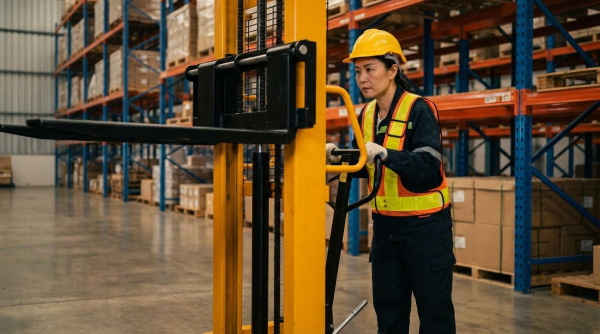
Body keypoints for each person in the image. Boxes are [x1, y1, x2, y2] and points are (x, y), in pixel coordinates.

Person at [326, 29, 456, 334]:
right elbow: (367, 166)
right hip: (386, 231)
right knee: (389, 313)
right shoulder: (366, 113)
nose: (362, 79)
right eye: (358, 71)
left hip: (425, 230)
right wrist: (338, 158)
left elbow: (427, 167)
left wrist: (386, 154)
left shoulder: (419, 109)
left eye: (370, 70)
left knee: (434, 315)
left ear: (393, 69)